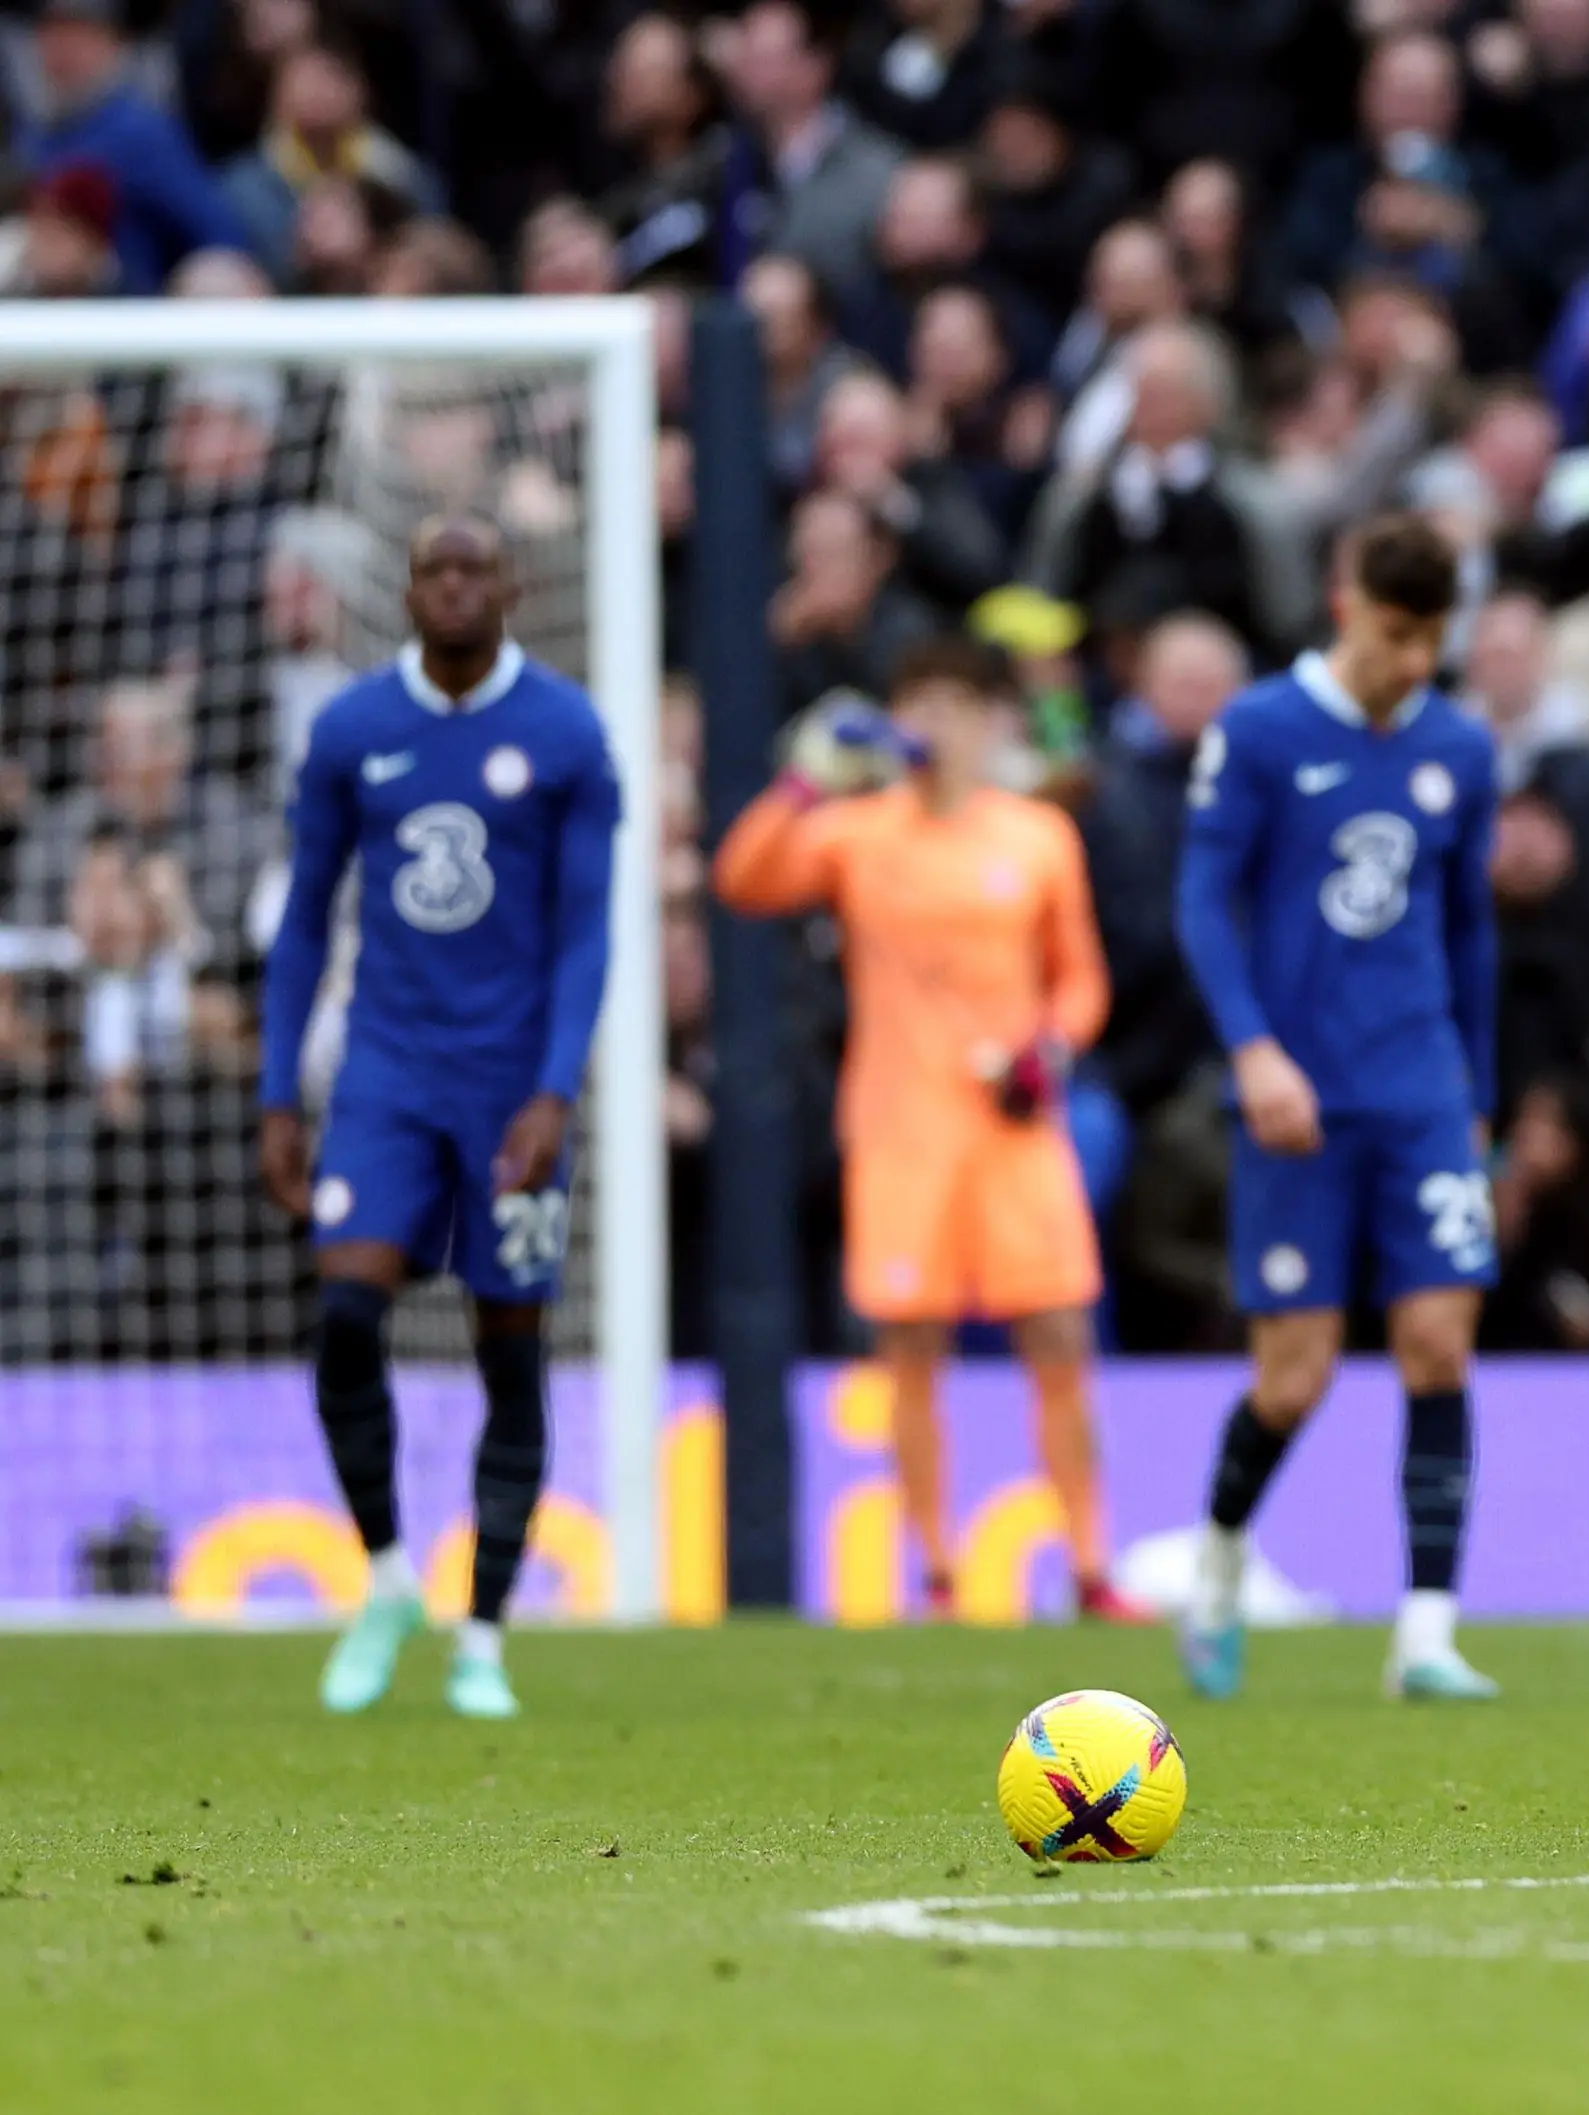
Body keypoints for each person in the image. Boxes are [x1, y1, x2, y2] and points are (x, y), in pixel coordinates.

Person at [256, 515, 619, 1720]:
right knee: (347, 1310)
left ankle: (486, 1637)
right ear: (406, 590)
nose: (456, 587)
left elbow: (584, 932)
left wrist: (557, 1089)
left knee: (508, 1344)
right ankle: (385, 1578)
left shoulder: (566, 734)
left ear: (512, 584)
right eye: (434, 570)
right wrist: (274, 1092)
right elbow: (307, 919)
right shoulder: (354, 730)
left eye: (476, 568)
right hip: (387, 1076)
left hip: (513, 1086)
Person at [714, 636, 1123, 1621]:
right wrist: (804, 784)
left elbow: (1082, 981)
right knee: (910, 1345)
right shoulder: (859, 830)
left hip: (1014, 1128)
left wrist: (1050, 1051)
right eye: (920, 704)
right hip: (902, 1127)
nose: (935, 724)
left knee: (1060, 1332)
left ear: (990, 722)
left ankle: (1090, 1566)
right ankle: (936, 1570)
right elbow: (744, 880)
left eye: (955, 704)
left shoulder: (1036, 837)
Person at [1171, 515, 1505, 1705]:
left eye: (1433, 639)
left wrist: (1480, 1093)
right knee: (1295, 1377)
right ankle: (1215, 1567)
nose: (1416, 661)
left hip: (1419, 1087)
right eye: (1398, 632)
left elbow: (1469, 928)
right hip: (1296, 1097)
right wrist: (1254, 1053)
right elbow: (1204, 906)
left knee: (1438, 1344)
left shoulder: (1459, 749)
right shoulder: (1259, 732)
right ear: (1344, 600)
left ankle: (1424, 1634)